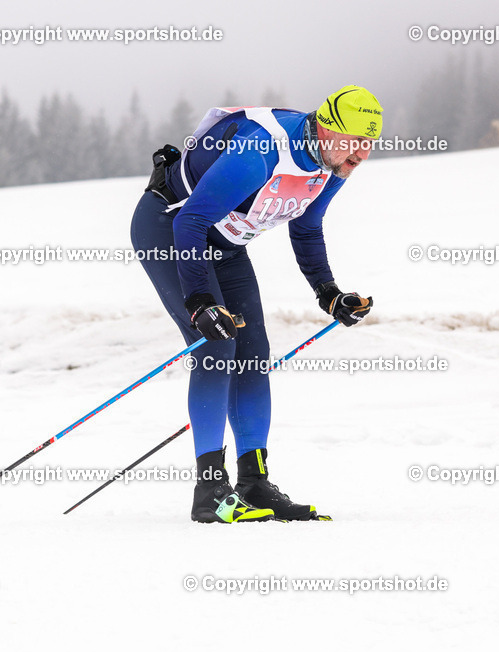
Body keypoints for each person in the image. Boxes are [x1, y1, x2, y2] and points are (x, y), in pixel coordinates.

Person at [130, 85, 379, 523]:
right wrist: (201, 301)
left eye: (369, 146)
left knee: (252, 354)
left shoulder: (331, 163)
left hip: (226, 243)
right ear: (326, 127)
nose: (360, 156)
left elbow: (306, 228)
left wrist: (329, 293)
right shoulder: (262, 150)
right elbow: (190, 219)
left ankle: (254, 482)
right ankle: (209, 492)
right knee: (216, 346)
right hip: (171, 228)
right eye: (354, 143)